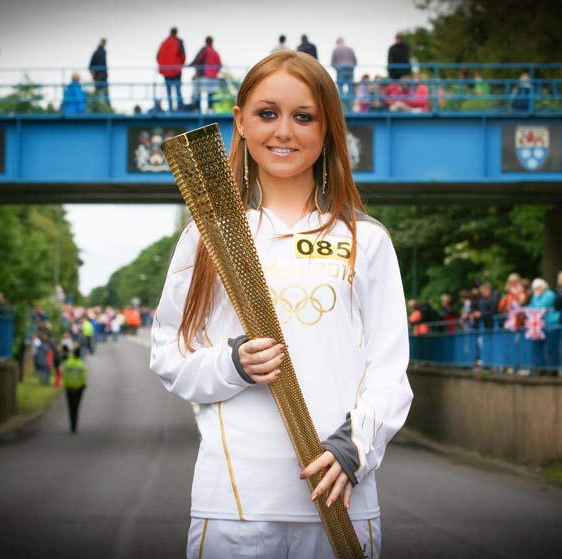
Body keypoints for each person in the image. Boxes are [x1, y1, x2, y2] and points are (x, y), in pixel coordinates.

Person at [150, 50, 412, 559]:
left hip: (340, 499)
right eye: (267, 113)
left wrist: (355, 446)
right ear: (240, 122)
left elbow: (389, 369)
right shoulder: (207, 237)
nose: (284, 131)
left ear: (328, 128)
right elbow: (169, 355)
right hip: (234, 506)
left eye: (304, 116)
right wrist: (233, 364)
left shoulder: (365, 239)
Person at [528, 278, 558, 373]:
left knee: (552, 348)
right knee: (538, 348)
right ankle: (540, 368)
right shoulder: (535, 296)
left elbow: (541, 306)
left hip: (550, 325)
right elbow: (531, 306)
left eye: (538, 288)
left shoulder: (550, 295)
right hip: (539, 327)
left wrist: (531, 309)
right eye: (534, 288)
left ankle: (553, 369)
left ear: (543, 287)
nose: (536, 290)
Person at [189, 36, 222, 112]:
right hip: (213, 77)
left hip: (204, 75)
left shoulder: (204, 50)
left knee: (198, 92)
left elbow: (197, 60)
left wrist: (189, 65)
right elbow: (219, 65)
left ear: (205, 41)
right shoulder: (215, 52)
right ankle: (210, 109)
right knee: (210, 94)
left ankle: (198, 109)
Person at [157, 27, 186, 112]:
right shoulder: (179, 42)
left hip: (166, 71)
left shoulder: (163, 43)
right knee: (178, 90)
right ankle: (180, 109)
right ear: (176, 33)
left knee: (169, 91)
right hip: (176, 70)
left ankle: (170, 109)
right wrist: (180, 64)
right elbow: (183, 56)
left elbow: (158, 56)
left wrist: (164, 65)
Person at [62, 345, 88, 433]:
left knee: (70, 407)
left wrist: (68, 384)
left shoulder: (67, 363)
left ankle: (72, 424)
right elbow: (84, 377)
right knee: (76, 406)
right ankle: (75, 424)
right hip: (78, 388)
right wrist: (82, 385)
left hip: (69, 388)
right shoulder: (81, 364)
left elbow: (64, 375)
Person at [330, 38, 357, 110]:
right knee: (350, 90)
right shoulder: (350, 49)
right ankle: (351, 108)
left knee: (341, 90)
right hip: (350, 70)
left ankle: (342, 109)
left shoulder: (335, 49)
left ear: (337, 43)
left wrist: (337, 68)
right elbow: (355, 61)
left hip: (340, 71)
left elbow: (332, 63)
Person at [89, 38, 109, 106]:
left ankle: (102, 106)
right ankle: (104, 107)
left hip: (101, 76)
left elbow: (91, 66)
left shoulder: (99, 52)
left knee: (100, 93)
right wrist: (94, 75)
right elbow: (91, 66)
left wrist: (94, 75)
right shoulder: (99, 52)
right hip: (100, 77)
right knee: (102, 93)